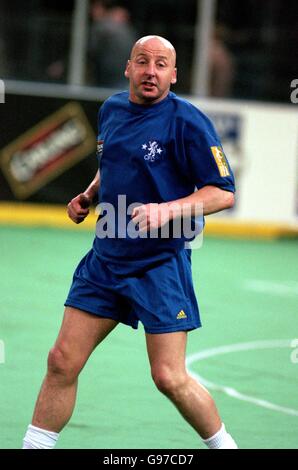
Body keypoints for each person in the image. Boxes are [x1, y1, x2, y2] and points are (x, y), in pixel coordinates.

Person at [22, 35, 238, 450]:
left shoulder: (188, 121)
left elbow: (223, 192)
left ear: (173, 74)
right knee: (61, 361)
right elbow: (112, 164)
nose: (151, 71)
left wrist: (167, 210)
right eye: (143, 62)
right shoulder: (112, 110)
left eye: (161, 64)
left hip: (160, 263)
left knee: (168, 378)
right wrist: (90, 195)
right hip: (106, 258)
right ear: (128, 68)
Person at [88, 0, 136, 88]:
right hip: (126, 72)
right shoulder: (126, 27)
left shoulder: (101, 26)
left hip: (109, 75)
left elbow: (91, 50)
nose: (90, 12)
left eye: (94, 8)